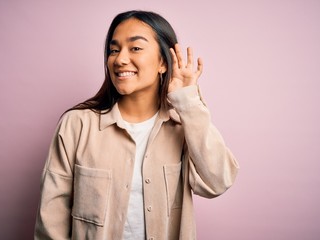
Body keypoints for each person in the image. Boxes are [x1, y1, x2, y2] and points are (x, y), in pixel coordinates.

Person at [34, 10, 239, 240]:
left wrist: (188, 101)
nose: (120, 59)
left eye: (135, 48)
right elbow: (51, 219)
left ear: (163, 62)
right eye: (113, 50)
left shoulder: (183, 126)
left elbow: (218, 182)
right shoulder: (76, 125)